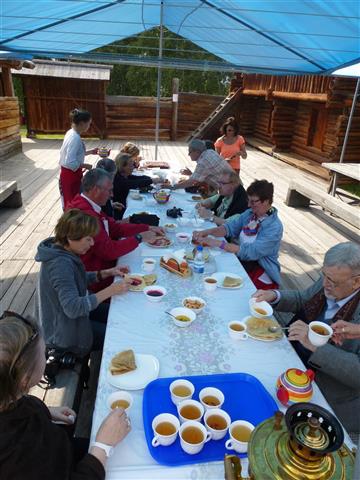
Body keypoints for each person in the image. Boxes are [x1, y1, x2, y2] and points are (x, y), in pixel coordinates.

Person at [0, 311, 130, 480]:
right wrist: (102, 447)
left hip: (61, 449)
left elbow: (19, 405)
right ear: (25, 380)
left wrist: (47, 411)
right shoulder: (19, 453)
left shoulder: (9, 398)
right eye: (44, 353)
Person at [253, 242, 360, 436]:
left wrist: (317, 347)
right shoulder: (331, 279)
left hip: (327, 394)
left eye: (333, 281)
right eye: (324, 275)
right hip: (292, 361)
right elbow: (304, 298)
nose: (325, 283)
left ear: (357, 282)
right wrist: (274, 296)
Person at [35, 209, 130, 356]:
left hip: (69, 319)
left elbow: (75, 279)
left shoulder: (61, 249)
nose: (92, 243)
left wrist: (107, 272)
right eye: (88, 239)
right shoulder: (60, 264)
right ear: (71, 238)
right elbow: (73, 308)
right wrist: (111, 290)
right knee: (120, 335)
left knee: (121, 315)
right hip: (64, 336)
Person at [67, 169, 163, 292]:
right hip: (96, 280)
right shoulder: (86, 215)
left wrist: (147, 228)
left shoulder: (89, 205)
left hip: (104, 270)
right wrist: (139, 238)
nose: (112, 195)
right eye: (109, 190)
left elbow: (115, 228)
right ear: (96, 190)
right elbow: (109, 251)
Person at [193, 180, 283, 289]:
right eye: (248, 200)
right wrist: (206, 232)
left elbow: (250, 252)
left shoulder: (274, 227)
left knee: (216, 280)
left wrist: (217, 243)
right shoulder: (250, 214)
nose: (249, 205)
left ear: (266, 201)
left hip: (259, 271)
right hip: (241, 261)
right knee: (208, 271)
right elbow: (229, 228)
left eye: (253, 202)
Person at [59, 109, 98, 209]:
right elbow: (70, 162)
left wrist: (90, 152)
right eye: (88, 124)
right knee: (72, 203)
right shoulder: (75, 138)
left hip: (69, 173)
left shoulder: (71, 133)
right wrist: (87, 166)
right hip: (70, 175)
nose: (89, 126)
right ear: (81, 123)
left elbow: (74, 155)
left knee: (72, 201)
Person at [113, 153, 163, 219]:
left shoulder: (123, 174)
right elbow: (134, 183)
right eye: (131, 165)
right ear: (123, 166)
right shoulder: (118, 179)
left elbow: (136, 178)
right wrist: (152, 180)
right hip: (119, 211)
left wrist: (151, 179)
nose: (133, 167)